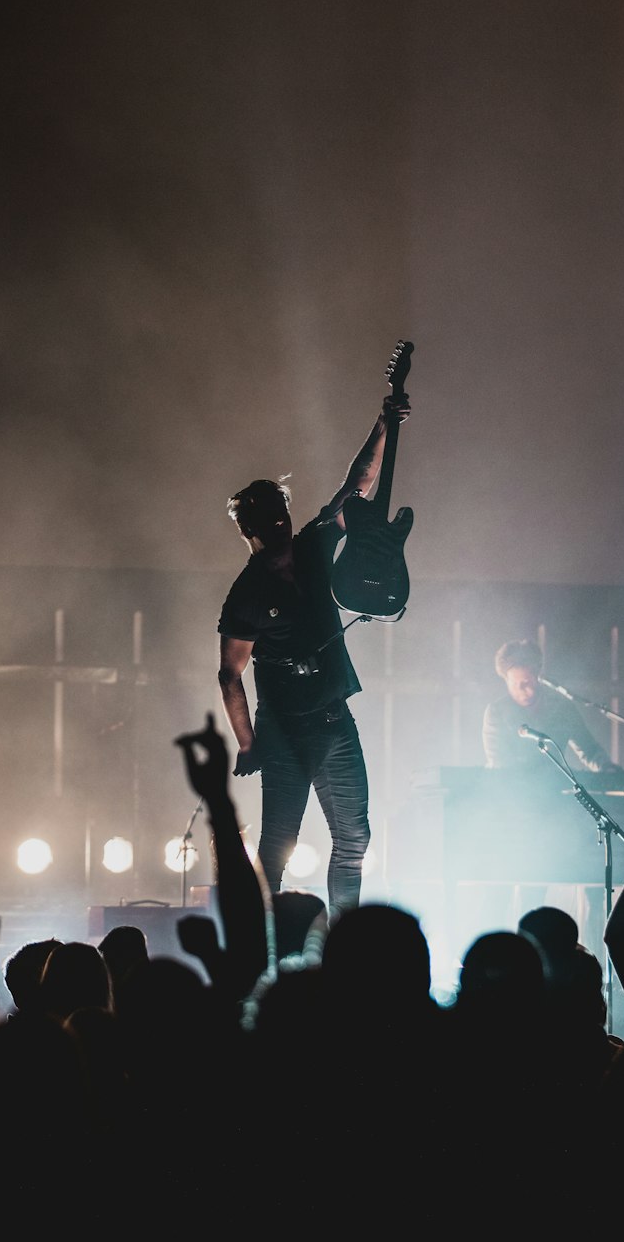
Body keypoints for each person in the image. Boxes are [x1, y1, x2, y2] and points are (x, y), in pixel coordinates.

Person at [217, 383, 410, 918]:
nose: (280, 523)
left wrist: (383, 424)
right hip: (282, 730)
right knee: (276, 848)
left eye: (283, 512)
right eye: (269, 519)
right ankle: (267, 951)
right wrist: (248, 743)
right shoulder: (247, 596)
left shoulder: (313, 544)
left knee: (355, 837)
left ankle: (342, 943)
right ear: (248, 528)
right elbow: (229, 675)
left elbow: (358, 487)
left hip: (333, 719)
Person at [482, 637, 620, 773]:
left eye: (525, 682)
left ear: (537, 677)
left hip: (556, 790)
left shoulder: (562, 708)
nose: (520, 689)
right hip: (514, 792)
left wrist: (607, 769)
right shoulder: (496, 713)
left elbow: (589, 749)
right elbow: (499, 762)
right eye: (513, 683)